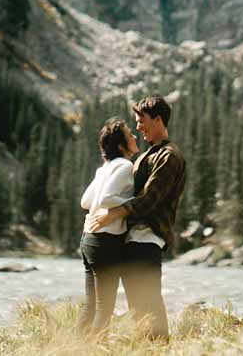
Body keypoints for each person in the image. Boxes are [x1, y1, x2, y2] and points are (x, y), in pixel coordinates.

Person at [89, 94, 186, 340]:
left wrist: (114, 214)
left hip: (148, 239)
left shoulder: (169, 156)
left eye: (141, 121)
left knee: (149, 306)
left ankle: (159, 349)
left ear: (158, 119)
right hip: (134, 240)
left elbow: (150, 198)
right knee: (138, 310)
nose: (138, 127)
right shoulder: (148, 154)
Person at [76, 118, 137, 336]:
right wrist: (131, 202)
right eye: (130, 135)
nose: (135, 136)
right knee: (104, 308)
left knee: (90, 306)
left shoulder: (104, 168)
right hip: (106, 241)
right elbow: (106, 198)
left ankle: (74, 349)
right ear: (121, 146)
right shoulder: (125, 165)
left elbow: (85, 202)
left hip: (88, 240)